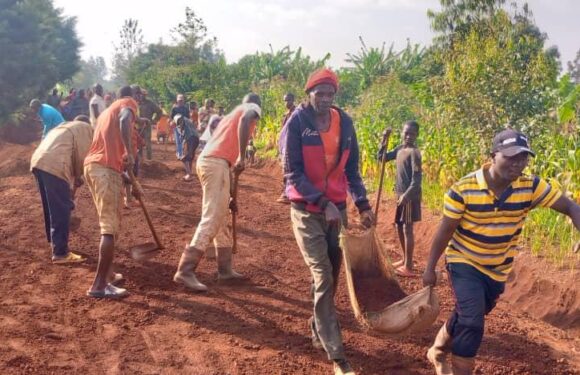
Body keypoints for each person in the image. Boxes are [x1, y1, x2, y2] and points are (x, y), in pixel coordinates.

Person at [422, 129, 580, 375]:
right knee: (473, 322)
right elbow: (445, 231)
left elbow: (570, 206)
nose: (517, 164)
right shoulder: (463, 189)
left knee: (467, 314)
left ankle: (438, 350)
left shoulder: (530, 186)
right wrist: (429, 267)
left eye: (523, 158)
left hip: (497, 269)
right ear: (493, 155)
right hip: (464, 262)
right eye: (510, 157)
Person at [285, 68, 375, 375]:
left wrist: (362, 205)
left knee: (332, 277)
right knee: (322, 275)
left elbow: (353, 171)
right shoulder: (297, 122)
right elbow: (292, 173)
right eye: (318, 93)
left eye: (329, 94)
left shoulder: (345, 122)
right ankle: (337, 354)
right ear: (308, 93)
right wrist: (323, 203)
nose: (324, 99)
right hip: (307, 210)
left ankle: (316, 327)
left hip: (337, 210)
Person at [173, 93, 261, 292]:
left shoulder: (231, 115)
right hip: (216, 163)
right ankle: (185, 270)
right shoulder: (250, 109)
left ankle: (225, 270)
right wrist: (242, 157)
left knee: (220, 216)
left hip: (211, 162)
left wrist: (230, 195)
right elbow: (247, 120)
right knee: (212, 216)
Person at [83, 85, 144, 298]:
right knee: (109, 228)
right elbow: (125, 120)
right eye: (139, 97)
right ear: (133, 96)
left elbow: (108, 144)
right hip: (105, 169)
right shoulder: (128, 104)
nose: (139, 101)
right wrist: (129, 151)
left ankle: (108, 276)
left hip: (95, 167)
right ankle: (99, 285)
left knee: (109, 223)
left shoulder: (106, 112)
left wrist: (125, 177)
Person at [30, 115, 93, 263]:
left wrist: (76, 176)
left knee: (51, 206)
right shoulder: (85, 129)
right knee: (61, 208)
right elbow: (82, 157)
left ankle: (55, 242)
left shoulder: (64, 126)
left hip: (38, 162)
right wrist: (79, 175)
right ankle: (60, 253)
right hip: (55, 166)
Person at [377, 121, 422, 277]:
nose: (408, 136)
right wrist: (384, 139)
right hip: (400, 194)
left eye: (412, 134)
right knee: (399, 225)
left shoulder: (414, 153)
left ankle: (408, 266)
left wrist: (406, 196)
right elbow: (381, 158)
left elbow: (416, 181)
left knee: (407, 228)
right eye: (406, 133)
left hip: (409, 196)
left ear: (417, 135)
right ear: (402, 133)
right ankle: (404, 259)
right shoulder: (400, 149)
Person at [276, 92, 296, 204]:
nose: (286, 103)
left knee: (289, 169)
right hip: (285, 146)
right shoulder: (285, 115)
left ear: (293, 100)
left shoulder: (296, 113)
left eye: (288, 100)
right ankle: (287, 192)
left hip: (293, 145)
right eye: (285, 101)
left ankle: (287, 193)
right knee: (286, 169)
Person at [173, 114, 200, 181]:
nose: (181, 123)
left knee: (184, 157)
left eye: (181, 121)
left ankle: (189, 174)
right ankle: (189, 173)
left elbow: (182, 140)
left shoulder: (184, 127)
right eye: (179, 122)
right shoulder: (186, 121)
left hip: (192, 139)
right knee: (189, 157)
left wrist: (180, 153)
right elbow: (179, 141)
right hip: (196, 138)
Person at [138, 89, 163, 160]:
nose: (142, 96)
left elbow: (159, 111)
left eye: (143, 95)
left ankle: (149, 160)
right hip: (137, 126)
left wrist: (154, 121)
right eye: (140, 94)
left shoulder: (150, 103)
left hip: (147, 126)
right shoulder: (136, 103)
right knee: (138, 144)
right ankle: (140, 160)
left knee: (147, 144)